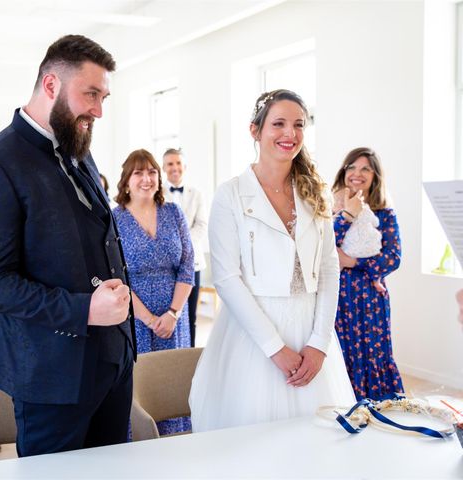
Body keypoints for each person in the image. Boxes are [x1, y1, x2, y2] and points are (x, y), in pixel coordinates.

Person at [0, 35, 136, 458]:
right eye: (90, 94)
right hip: (51, 375)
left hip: (113, 362)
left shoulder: (78, 146)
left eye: (104, 97)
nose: (98, 109)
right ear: (51, 85)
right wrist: (84, 310)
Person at [189, 89, 355, 432]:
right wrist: (275, 348)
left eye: (298, 125)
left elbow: (328, 268)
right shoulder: (231, 194)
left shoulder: (315, 192)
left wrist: (319, 343)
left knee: (317, 440)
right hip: (253, 336)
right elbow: (226, 278)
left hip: (310, 327)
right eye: (278, 124)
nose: (289, 134)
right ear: (255, 130)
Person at [113, 148, 193, 435]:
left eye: (151, 172)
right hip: (135, 317)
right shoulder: (115, 219)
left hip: (174, 317)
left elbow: (186, 265)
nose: (146, 178)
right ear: (126, 181)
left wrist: (172, 313)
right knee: (143, 388)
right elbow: (116, 276)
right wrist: (147, 319)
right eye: (138, 173)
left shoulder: (173, 212)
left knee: (173, 384)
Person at [331, 147, 403, 400]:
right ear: (344, 171)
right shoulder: (332, 208)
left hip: (371, 297)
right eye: (351, 167)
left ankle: (380, 411)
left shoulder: (385, 213)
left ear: (375, 175)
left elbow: (393, 257)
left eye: (365, 168)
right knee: (342, 353)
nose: (356, 173)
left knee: (375, 354)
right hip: (337, 295)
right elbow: (326, 247)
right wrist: (347, 215)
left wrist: (352, 261)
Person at [162, 148, 207, 347]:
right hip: (167, 265)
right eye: (170, 164)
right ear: (163, 168)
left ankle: (189, 356)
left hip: (193, 263)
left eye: (178, 163)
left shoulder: (196, 194)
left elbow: (201, 225)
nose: (175, 168)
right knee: (171, 312)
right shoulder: (157, 193)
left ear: (185, 167)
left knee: (191, 314)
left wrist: (184, 246)